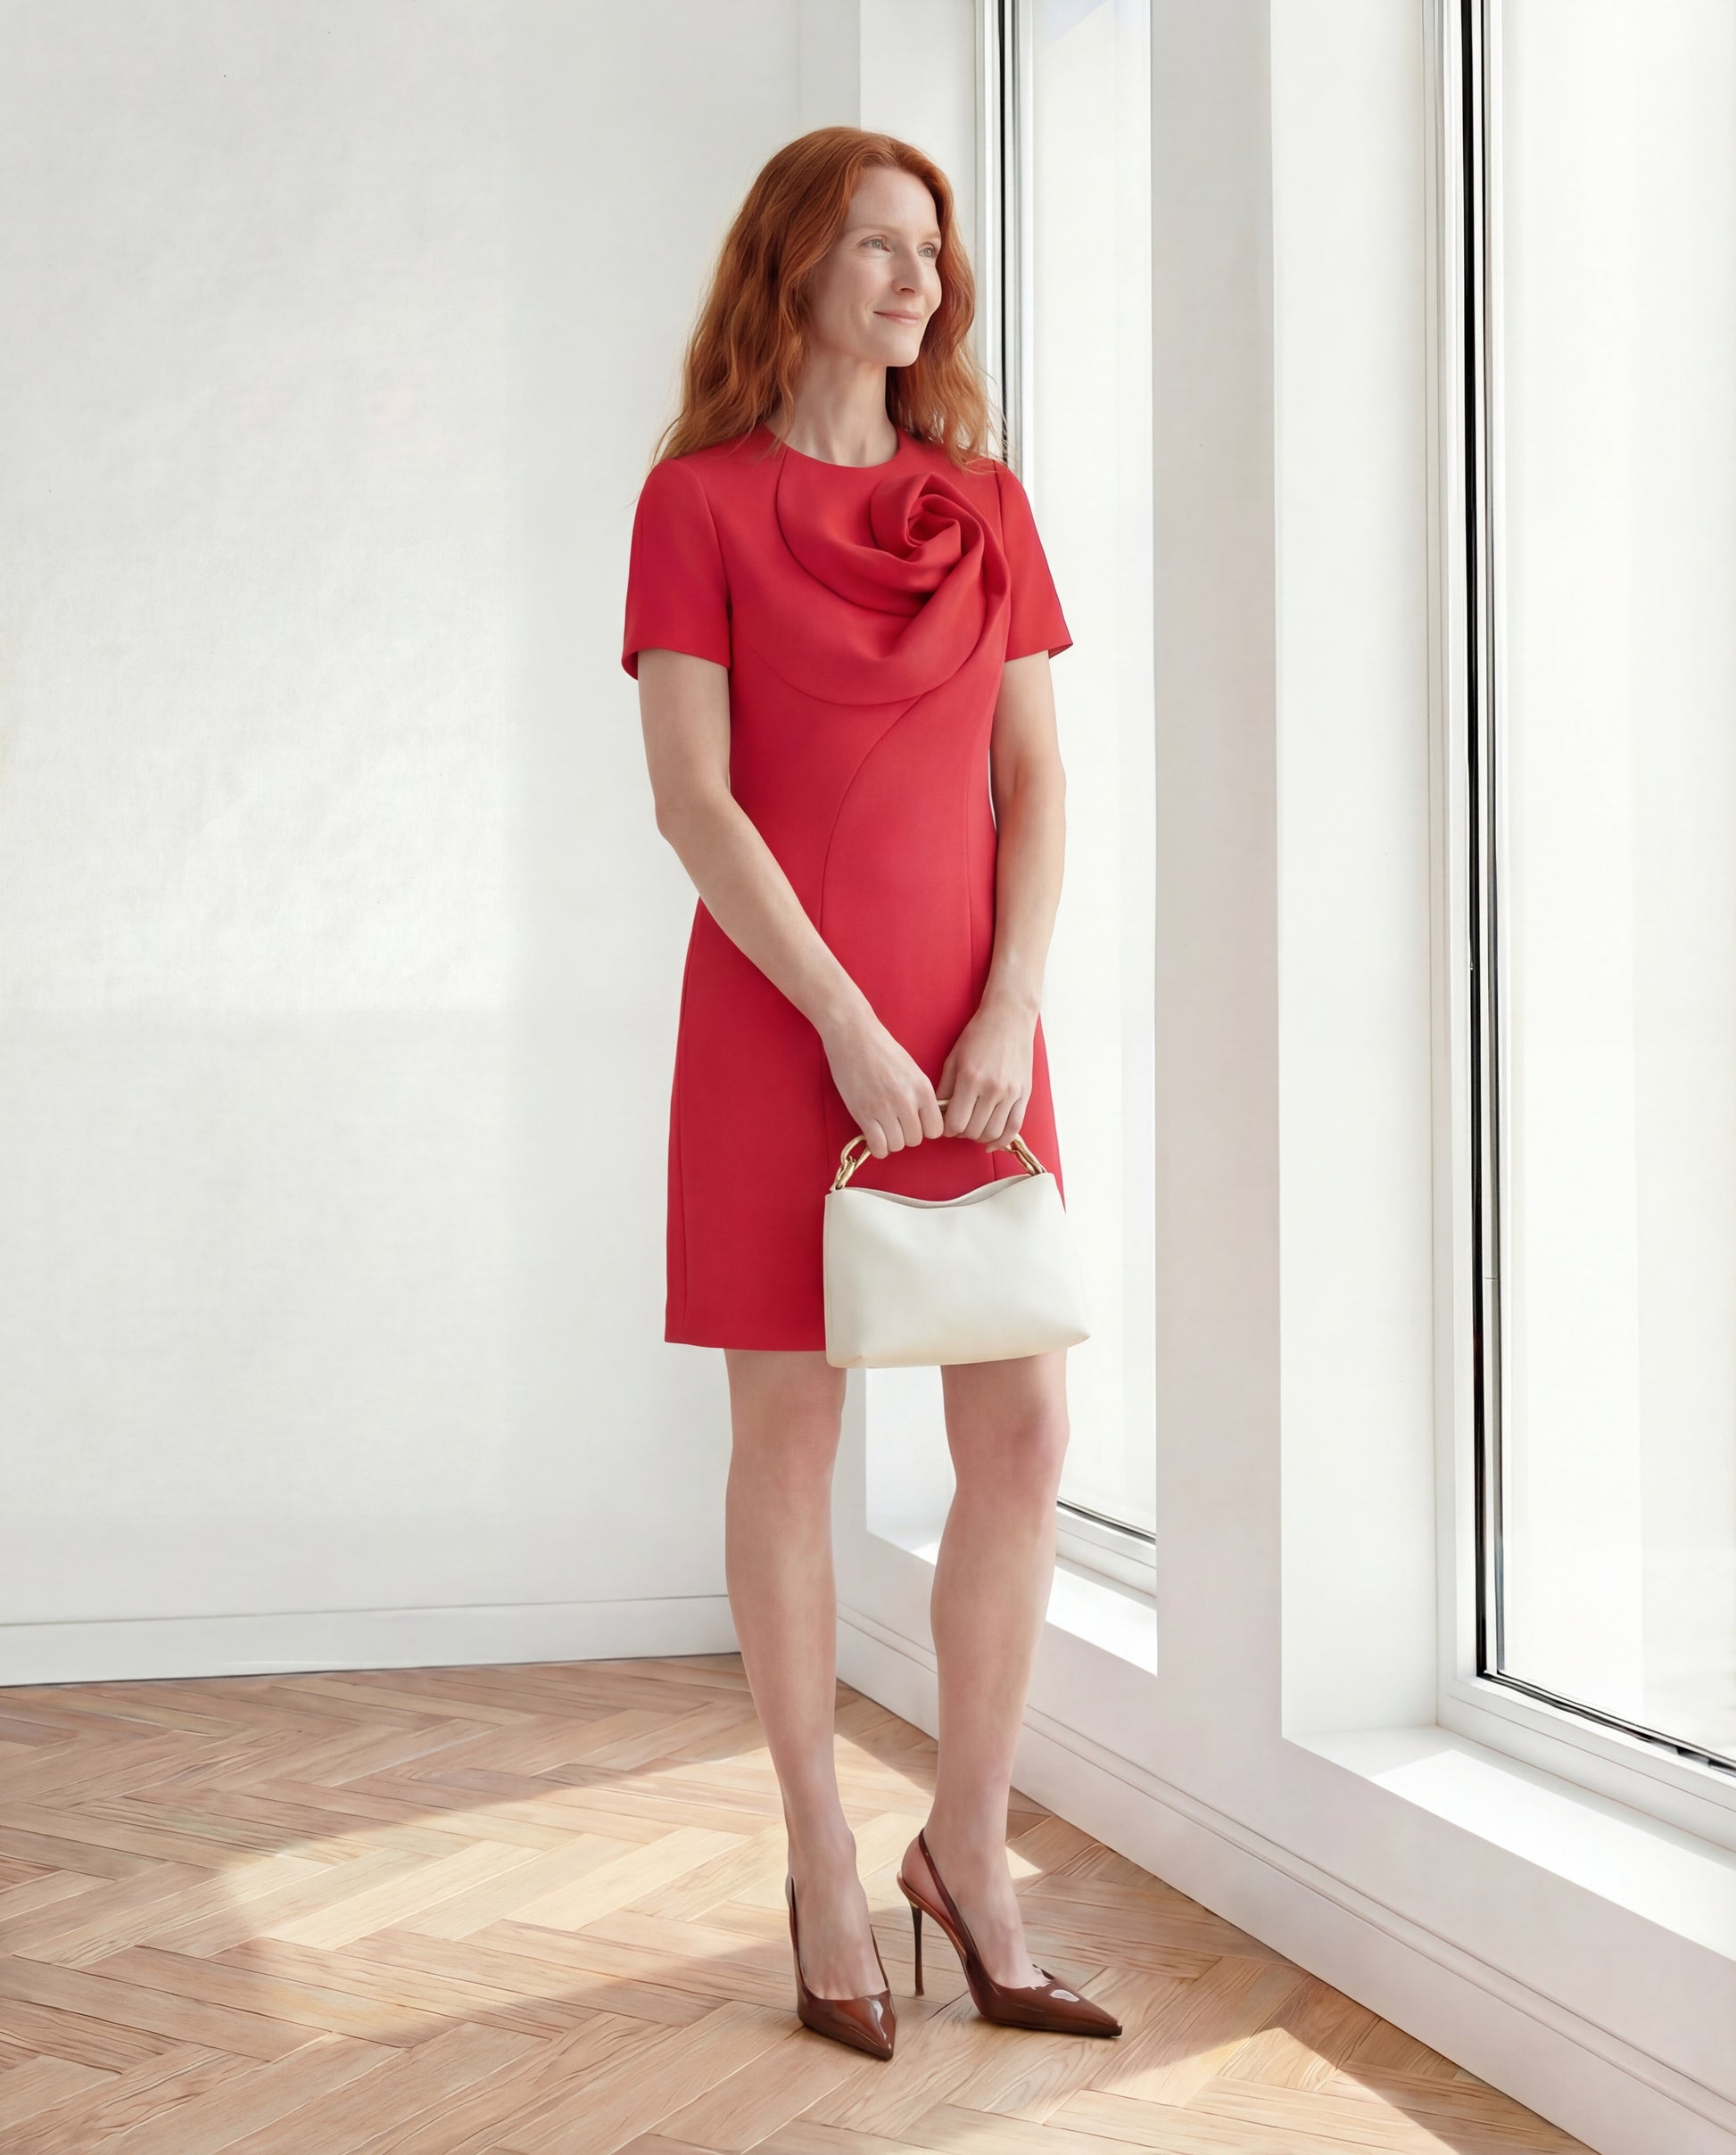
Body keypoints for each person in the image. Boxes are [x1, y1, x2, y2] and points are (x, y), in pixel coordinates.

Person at [620, 125, 1119, 2060]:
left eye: (931, 248)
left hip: (978, 1024)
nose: (918, 279)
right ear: (794, 269)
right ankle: (822, 1853)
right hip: (785, 1018)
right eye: (876, 247)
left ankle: (967, 1851)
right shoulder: (698, 500)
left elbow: (1037, 784)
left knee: (1025, 1427)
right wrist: (838, 1018)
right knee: (790, 1435)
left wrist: (1008, 1005)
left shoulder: (983, 501)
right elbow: (693, 798)